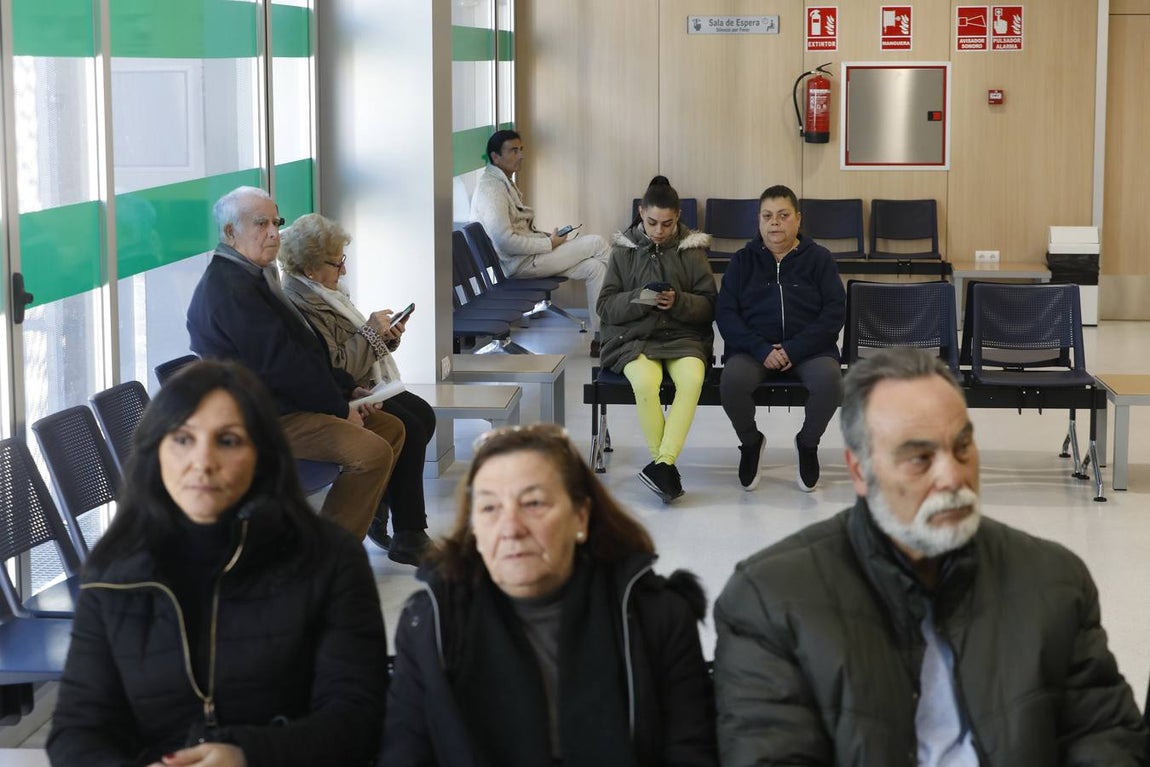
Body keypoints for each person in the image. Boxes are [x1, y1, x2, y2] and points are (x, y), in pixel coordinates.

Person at [713, 347, 1147, 764]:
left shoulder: (1054, 581)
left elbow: (1104, 739)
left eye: (962, 448)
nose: (952, 476)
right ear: (860, 470)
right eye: (920, 458)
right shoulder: (769, 601)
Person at [47, 360, 388, 767]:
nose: (203, 462)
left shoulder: (328, 559)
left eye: (227, 441)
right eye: (182, 439)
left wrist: (248, 756)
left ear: (262, 455)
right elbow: (76, 731)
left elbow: (358, 719)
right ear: (156, 452)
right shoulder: (113, 574)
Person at [380, 423, 717, 766]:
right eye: (489, 508)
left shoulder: (656, 615)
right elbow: (405, 751)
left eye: (534, 503)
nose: (511, 528)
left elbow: (689, 750)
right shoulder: (431, 622)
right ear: (474, 530)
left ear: (580, 516)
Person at [187, 186, 404, 542]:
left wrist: (348, 389)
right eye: (260, 223)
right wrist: (338, 407)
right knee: (371, 451)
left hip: (287, 404)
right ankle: (327, 561)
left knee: (390, 428)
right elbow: (281, 367)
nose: (273, 232)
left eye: (276, 221)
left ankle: (334, 544)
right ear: (230, 233)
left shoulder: (256, 276)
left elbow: (307, 352)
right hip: (262, 419)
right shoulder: (230, 290)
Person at [278, 212, 434, 565]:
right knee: (408, 425)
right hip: (339, 393)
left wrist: (385, 338)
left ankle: (381, 509)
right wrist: (372, 334)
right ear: (310, 268)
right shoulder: (300, 303)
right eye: (337, 263)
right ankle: (409, 532)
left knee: (421, 415)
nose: (343, 270)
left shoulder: (327, 292)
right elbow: (336, 365)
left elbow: (354, 350)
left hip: (360, 384)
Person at [716, 184, 845, 493]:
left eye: (783, 215)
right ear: (759, 221)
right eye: (767, 216)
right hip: (753, 350)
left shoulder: (819, 259)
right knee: (731, 382)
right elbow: (726, 314)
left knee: (830, 382)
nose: (774, 222)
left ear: (797, 219)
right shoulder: (742, 261)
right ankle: (751, 442)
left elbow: (834, 311)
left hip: (809, 350)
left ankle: (807, 443)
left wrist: (793, 349)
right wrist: (762, 349)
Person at [596, 176, 716, 503]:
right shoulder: (624, 249)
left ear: (678, 217)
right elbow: (604, 306)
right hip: (633, 339)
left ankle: (662, 465)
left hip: (683, 336)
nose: (659, 231)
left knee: (692, 379)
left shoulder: (692, 249)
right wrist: (638, 298)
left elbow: (709, 305)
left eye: (667, 223)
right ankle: (664, 466)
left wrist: (678, 301)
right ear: (640, 212)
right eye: (651, 222)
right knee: (646, 383)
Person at [469, 129, 612, 356]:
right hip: (519, 265)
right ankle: (621, 324)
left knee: (595, 268)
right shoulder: (491, 189)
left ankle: (602, 339)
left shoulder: (503, 181)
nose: (520, 155)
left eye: (521, 150)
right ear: (495, 157)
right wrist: (549, 244)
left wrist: (546, 237)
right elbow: (505, 241)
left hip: (528, 259)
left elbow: (518, 231)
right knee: (597, 244)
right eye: (513, 150)